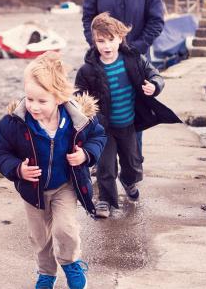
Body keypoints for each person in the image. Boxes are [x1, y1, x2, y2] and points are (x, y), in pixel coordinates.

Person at [0, 52, 106, 289]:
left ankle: (72, 263)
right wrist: (17, 169)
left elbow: (98, 136)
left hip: (65, 185)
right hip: (34, 190)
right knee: (40, 237)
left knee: (66, 229)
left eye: (42, 101)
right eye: (30, 98)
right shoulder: (15, 123)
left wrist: (86, 154)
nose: (33, 106)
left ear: (59, 98)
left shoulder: (78, 120)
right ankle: (46, 274)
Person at [75, 12, 181, 218]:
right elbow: (79, 94)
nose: (106, 46)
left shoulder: (133, 59)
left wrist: (155, 85)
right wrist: (81, 109)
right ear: (94, 41)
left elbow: (154, 74)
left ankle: (129, 181)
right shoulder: (87, 70)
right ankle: (105, 200)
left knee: (133, 163)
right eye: (101, 41)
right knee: (105, 167)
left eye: (111, 40)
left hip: (128, 124)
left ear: (120, 38)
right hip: (103, 128)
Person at [82, 0, 166, 155]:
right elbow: (88, 17)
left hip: (134, 61)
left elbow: (156, 22)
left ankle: (132, 169)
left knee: (132, 115)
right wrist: (95, 44)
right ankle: (104, 168)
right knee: (101, 113)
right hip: (103, 58)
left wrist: (135, 48)